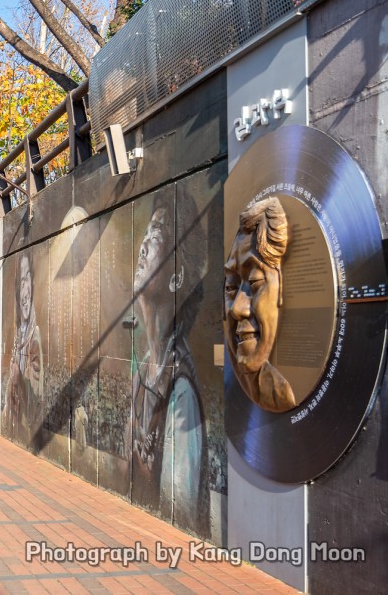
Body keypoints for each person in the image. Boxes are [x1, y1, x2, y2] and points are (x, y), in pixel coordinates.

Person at [131, 189, 207, 531]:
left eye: (157, 236)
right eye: (146, 233)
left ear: (177, 277)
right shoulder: (145, 368)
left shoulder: (181, 394)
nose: (143, 244)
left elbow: (179, 515)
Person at [224, 196, 296, 412]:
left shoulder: (281, 392)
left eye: (255, 282)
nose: (238, 309)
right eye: (231, 287)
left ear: (281, 284)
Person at [5, 252, 42, 443]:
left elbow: (37, 395)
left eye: (28, 278)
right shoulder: (19, 334)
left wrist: (19, 378)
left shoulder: (33, 337)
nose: (25, 290)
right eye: (21, 281)